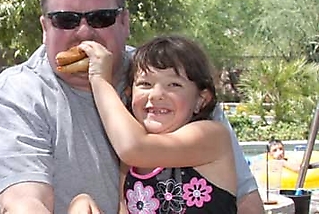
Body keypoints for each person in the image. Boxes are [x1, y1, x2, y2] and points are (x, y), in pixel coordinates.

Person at [0, 0, 264, 214]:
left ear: (124, 22)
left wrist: (100, 80)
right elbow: (26, 203)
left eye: (101, 17)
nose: (84, 33)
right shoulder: (18, 95)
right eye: (66, 19)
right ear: (46, 28)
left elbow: (245, 200)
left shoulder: (169, 77)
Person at [69, 35, 237, 213]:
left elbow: (134, 148)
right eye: (145, 84)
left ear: (201, 100)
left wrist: (99, 80)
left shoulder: (211, 137)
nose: (156, 94)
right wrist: (81, 204)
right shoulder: (132, 163)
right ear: (129, 94)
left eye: (173, 84)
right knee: (81, 205)